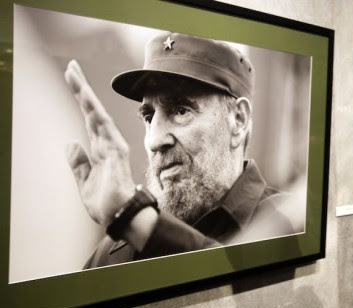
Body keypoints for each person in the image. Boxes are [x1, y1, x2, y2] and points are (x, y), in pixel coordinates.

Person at [63, 32, 295, 268]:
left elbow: (240, 289)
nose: (154, 140)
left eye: (181, 110)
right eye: (149, 116)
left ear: (238, 120)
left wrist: (133, 217)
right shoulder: (111, 255)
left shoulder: (291, 222)